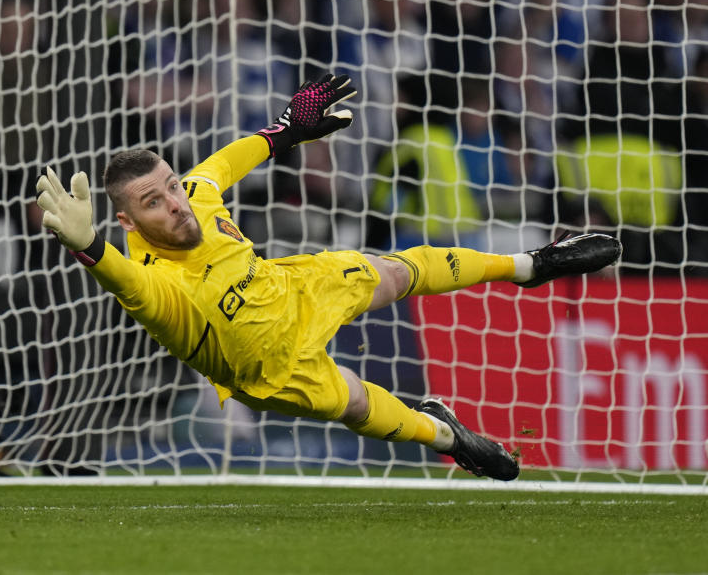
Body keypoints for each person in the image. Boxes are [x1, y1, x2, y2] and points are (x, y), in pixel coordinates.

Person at [35, 74, 622, 481]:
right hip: (267, 366)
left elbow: (225, 162)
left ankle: (532, 265)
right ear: (126, 221)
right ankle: (449, 438)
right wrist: (88, 245)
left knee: (395, 271)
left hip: (290, 285)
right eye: (153, 202)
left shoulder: (194, 196)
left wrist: (287, 130)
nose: (176, 203)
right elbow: (125, 284)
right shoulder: (157, 282)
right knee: (361, 405)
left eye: (169, 186)